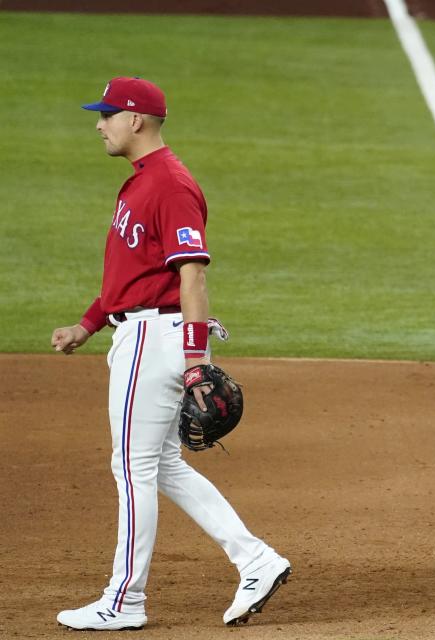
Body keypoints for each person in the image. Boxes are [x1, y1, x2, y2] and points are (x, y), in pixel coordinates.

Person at [50, 77, 291, 630]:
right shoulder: (141, 182)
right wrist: (88, 324)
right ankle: (256, 558)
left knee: (131, 468)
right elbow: (134, 274)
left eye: (107, 114)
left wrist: (195, 360)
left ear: (136, 119)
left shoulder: (170, 184)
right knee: (161, 465)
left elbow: (192, 274)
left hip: (155, 342)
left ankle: (124, 600)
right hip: (141, 331)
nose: (99, 123)